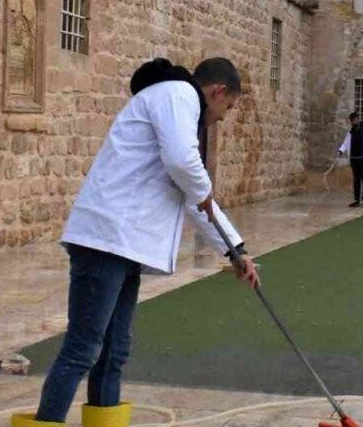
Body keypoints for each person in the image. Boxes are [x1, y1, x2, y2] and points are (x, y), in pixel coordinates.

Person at [13, 58, 260, 427]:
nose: (224, 116)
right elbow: (183, 165)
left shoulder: (179, 110)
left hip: (124, 245)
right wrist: (204, 191)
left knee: (114, 349)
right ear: (218, 91)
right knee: (84, 347)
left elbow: (191, 195)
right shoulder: (179, 95)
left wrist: (235, 251)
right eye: (228, 107)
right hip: (105, 239)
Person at [337, 111, 363, 207]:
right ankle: (357, 200)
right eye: (352, 120)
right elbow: (346, 143)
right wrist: (341, 150)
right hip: (354, 159)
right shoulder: (351, 131)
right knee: (356, 179)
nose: (354, 121)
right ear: (351, 121)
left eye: (355, 119)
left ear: (358, 119)